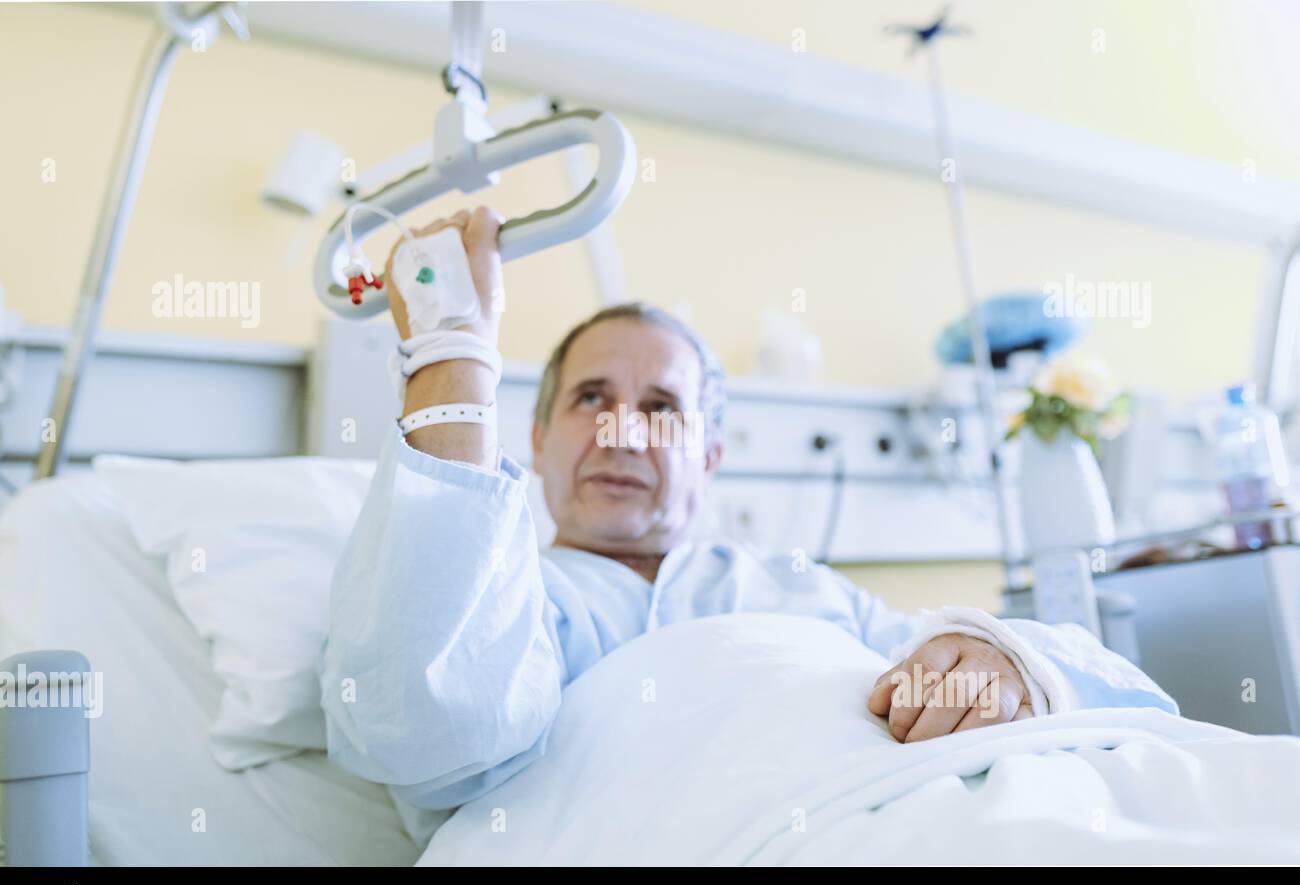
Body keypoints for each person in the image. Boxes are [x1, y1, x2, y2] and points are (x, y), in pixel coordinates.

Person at [320, 207, 1175, 817]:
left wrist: (1006, 667)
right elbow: (421, 732)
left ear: (712, 458)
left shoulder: (804, 597)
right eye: (591, 397)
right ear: (536, 439)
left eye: (662, 408)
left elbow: (1130, 700)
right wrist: (452, 355)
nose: (622, 430)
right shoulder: (507, 602)